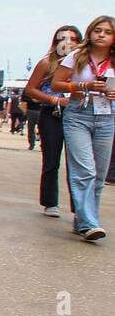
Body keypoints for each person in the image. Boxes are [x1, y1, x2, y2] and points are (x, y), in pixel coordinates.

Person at [50, 16, 115, 241]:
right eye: (98, 30)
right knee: (84, 170)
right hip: (79, 114)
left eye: (107, 32)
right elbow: (55, 84)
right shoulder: (76, 56)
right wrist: (83, 85)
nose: (102, 35)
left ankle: (83, 221)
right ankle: (89, 222)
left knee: (98, 175)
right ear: (90, 32)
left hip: (107, 116)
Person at [25, 25, 81, 218]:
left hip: (79, 115)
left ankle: (79, 208)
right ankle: (50, 202)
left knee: (78, 163)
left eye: (73, 39)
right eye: (63, 38)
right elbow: (30, 89)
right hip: (52, 114)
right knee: (51, 160)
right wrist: (53, 99)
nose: (68, 42)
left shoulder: (84, 65)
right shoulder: (46, 63)